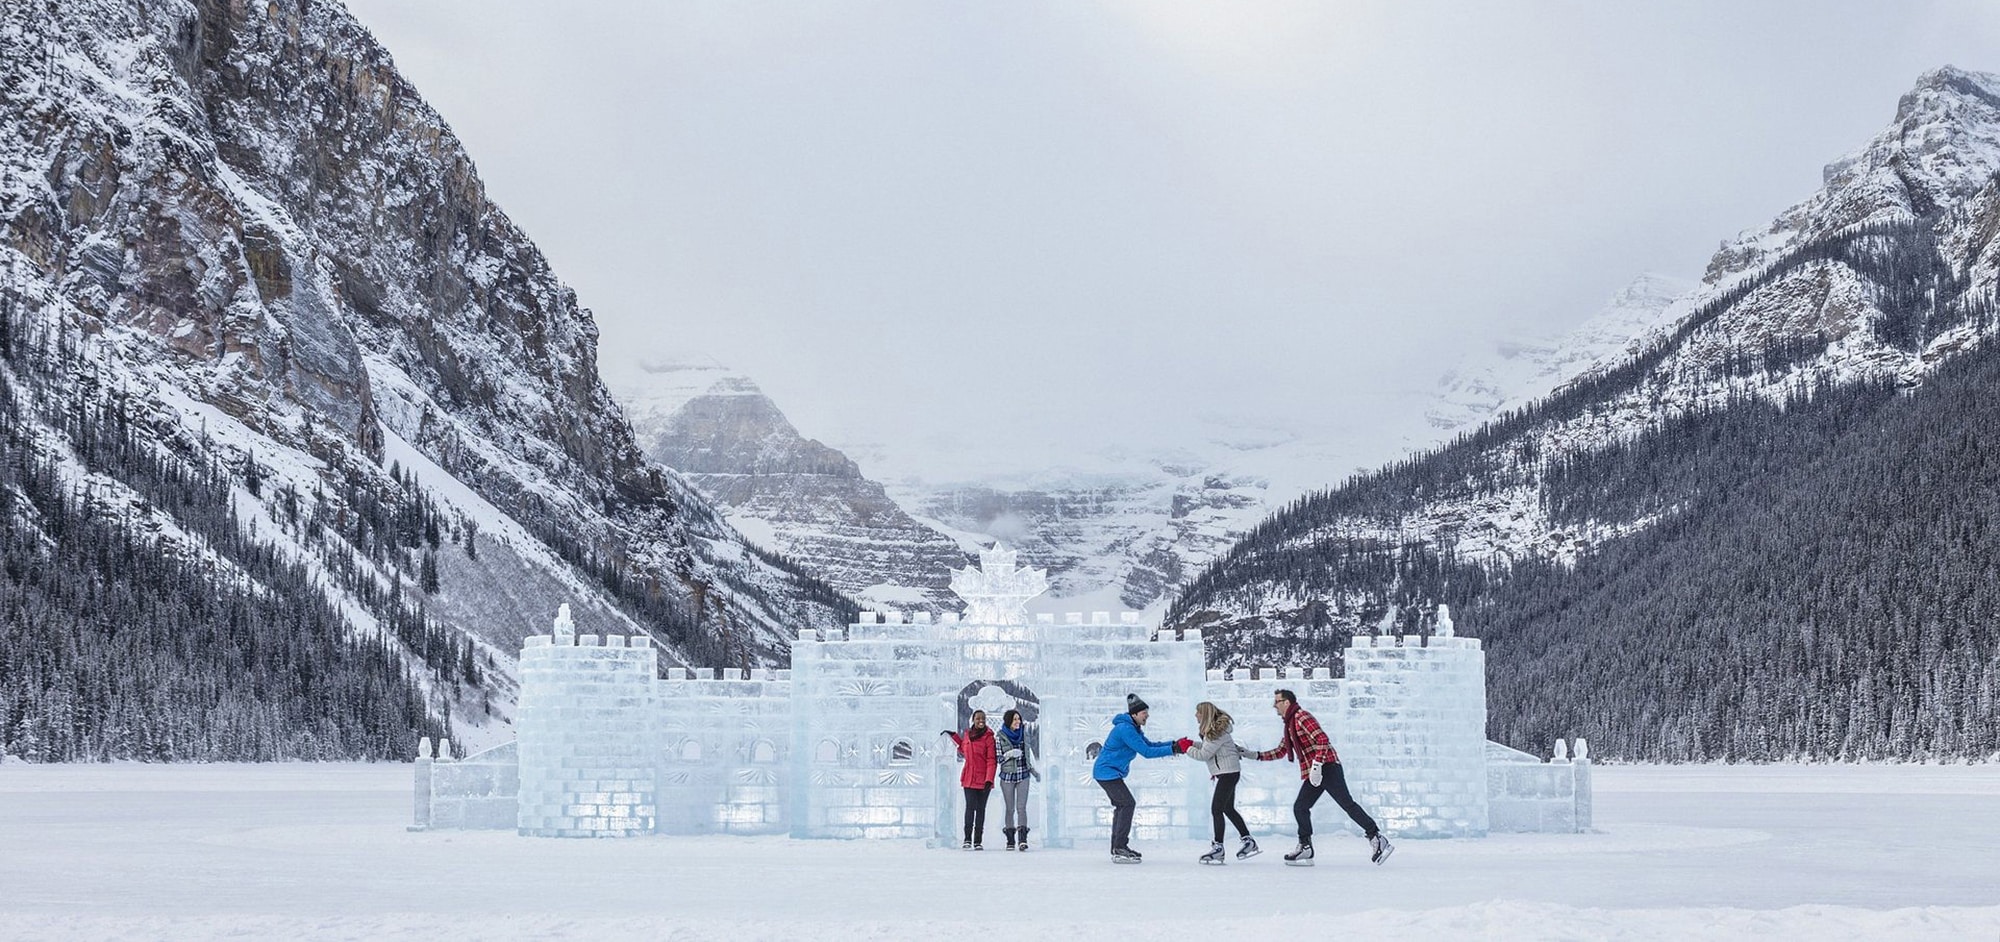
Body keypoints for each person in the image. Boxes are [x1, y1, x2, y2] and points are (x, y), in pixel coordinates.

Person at [1250, 688, 1393, 866]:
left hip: (1327, 767)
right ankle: (1305, 847)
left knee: (1347, 804)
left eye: (1276, 702)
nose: (1274, 706)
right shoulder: (1290, 724)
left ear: (1286, 702)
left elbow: (1322, 740)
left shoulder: (1301, 717)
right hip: (1316, 771)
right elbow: (1281, 751)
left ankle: (1377, 838)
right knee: (1301, 807)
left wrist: (1317, 765)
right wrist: (1254, 755)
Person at [1090, 693, 1192, 863]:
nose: (1147, 715)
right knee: (1127, 803)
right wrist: (1174, 750)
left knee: (1122, 805)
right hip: (1106, 772)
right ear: (1135, 714)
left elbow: (1150, 745)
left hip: (1109, 772)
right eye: (1144, 712)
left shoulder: (1132, 728)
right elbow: (1146, 752)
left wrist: (1174, 744)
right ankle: (1120, 847)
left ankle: (1118, 847)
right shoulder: (1125, 729)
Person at [1185, 701, 1258, 864]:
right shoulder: (1214, 732)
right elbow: (1207, 748)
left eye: (1198, 712)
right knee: (1228, 809)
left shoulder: (1215, 733)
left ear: (1204, 715)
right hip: (1228, 773)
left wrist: (1186, 748)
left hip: (1228, 774)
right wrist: (1191, 744)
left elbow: (1203, 755)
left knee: (1216, 809)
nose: (1195, 715)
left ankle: (1218, 848)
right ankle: (1248, 841)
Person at [944, 710, 998, 849]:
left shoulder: (989, 737)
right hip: (968, 778)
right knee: (969, 808)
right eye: (978, 718)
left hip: (983, 780)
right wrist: (954, 736)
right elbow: (964, 750)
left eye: (983, 718)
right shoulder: (968, 734)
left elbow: (992, 760)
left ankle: (978, 841)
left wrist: (989, 779)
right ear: (973, 720)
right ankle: (967, 838)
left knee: (980, 810)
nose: (981, 721)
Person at [995, 709, 1040, 851]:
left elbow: (1028, 755)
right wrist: (1009, 754)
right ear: (1008, 721)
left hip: (1023, 775)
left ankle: (1022, 839)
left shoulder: (1024, 735)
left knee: (1022, 808)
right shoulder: (1000, 737)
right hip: (1008, 776)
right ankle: (1010, 840)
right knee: (1010, 808)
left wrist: (1033, 771)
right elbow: (998, 759)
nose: (1018, 722)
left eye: (1019, 719)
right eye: (1015, 719)